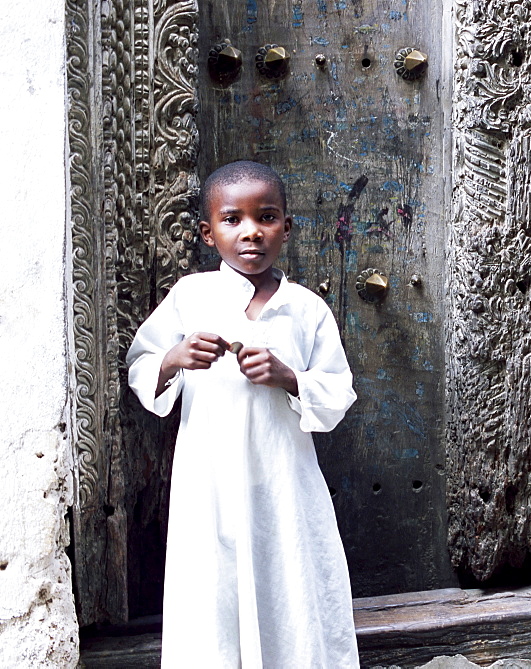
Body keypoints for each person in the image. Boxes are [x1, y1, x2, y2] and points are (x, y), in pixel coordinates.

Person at [126, 160, 360, 666]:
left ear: (287, 227)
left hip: (283, 481)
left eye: (267, 216)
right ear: (208, 234)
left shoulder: (306, 308)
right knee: (214, 592)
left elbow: (338, 390)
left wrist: (289, 377)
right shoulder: (191, 296)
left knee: (290, 584)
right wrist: (175, 357)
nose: (251, 232)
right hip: (208, 482)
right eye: (233, 219)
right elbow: (142, 365)